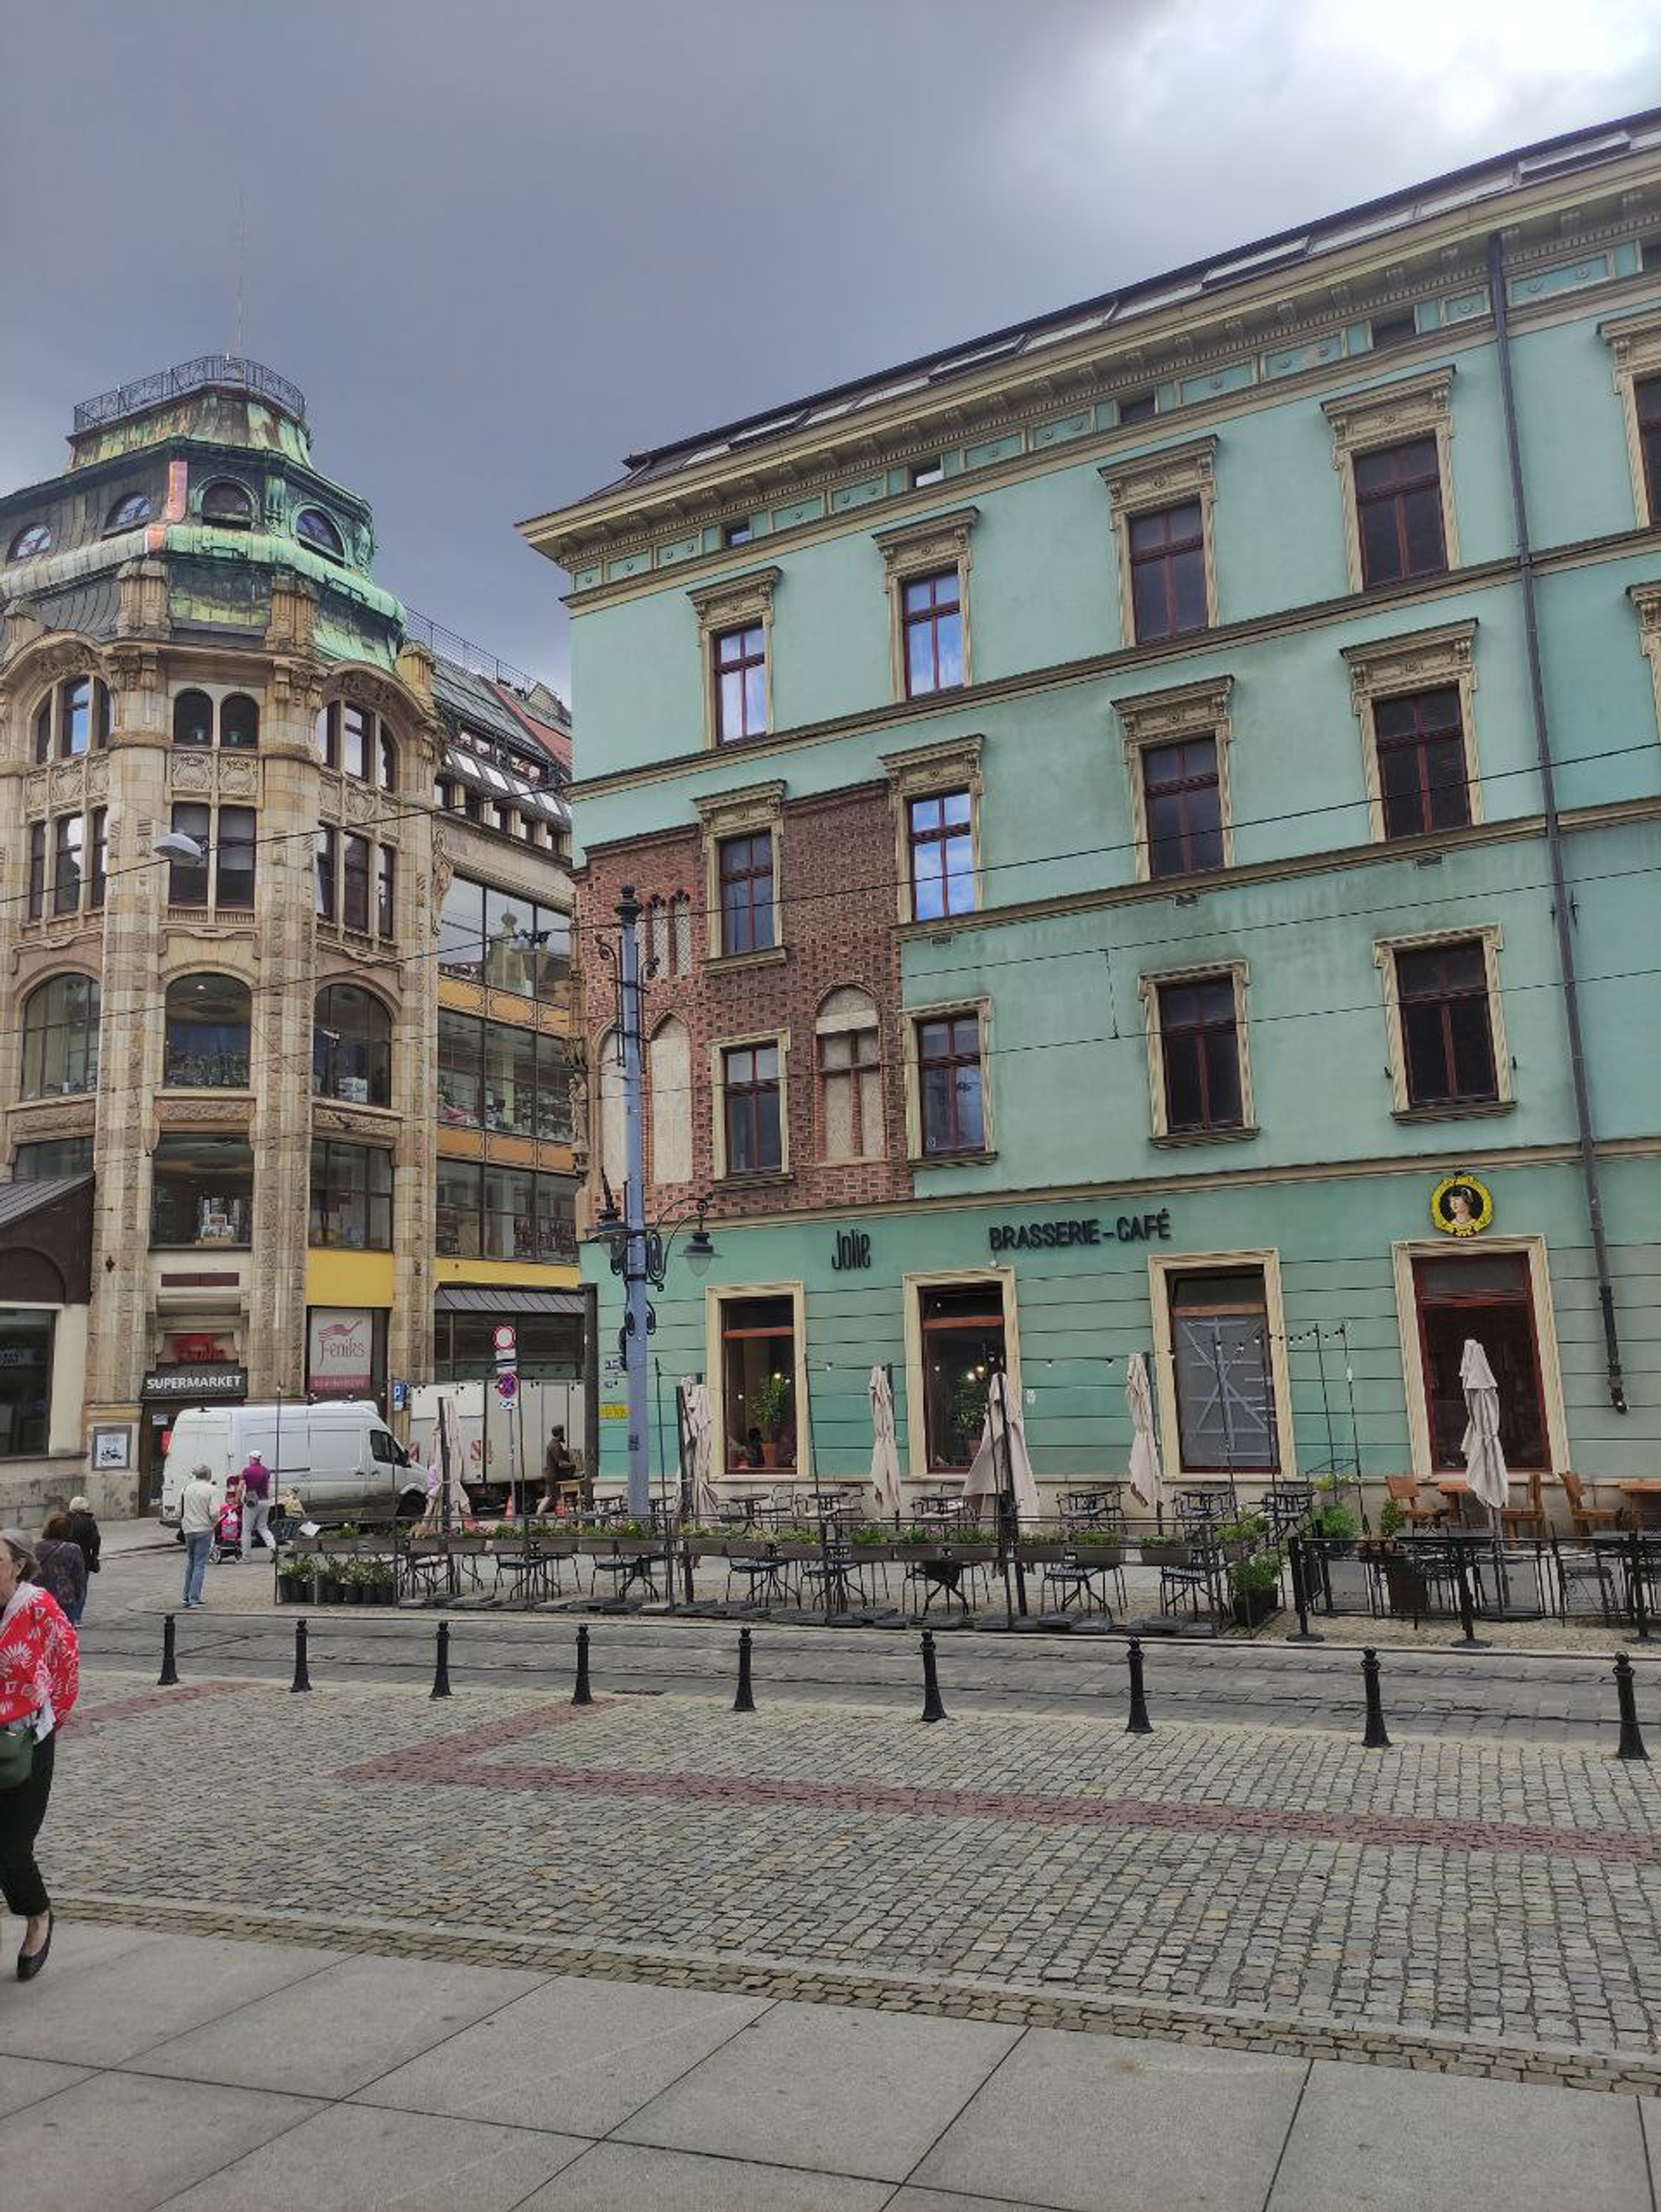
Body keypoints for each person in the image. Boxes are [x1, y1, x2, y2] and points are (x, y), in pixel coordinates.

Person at [0, 1528, 80, 1983]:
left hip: (28, 1741)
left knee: (12, 1850)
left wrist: (45, 1721)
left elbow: (67, 1662)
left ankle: (38, 1914)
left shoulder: (38, 1607)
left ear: (17, 1565)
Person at [34, 1516, 86, 1627]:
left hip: (40, 1598)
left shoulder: (35, 1547)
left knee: (41, 1633)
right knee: (65, 1633)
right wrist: (78, 1598)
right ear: (68, 1531)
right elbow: (79, 1577)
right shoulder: (73, 1549)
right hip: (64, 1598)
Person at [180, 1465, 217, 1608]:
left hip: (188, 1529)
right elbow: (214, 1512)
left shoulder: (186, 1489)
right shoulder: (211, 1490)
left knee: (191, 1562)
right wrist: (214, 1523)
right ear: (208, 1475)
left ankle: (186, 1596)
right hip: (204, 1528)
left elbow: (179, 1511)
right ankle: (194, 1598)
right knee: (200, 1564)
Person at [239, 1450, 274, 1559]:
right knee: (263, 1527)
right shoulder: (266, 1471)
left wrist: (238, 1499)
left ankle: (245, 1557)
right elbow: (268, 1487)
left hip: (252, 1502)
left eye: (249, 1458)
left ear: (252, 1458)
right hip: (265, 1501)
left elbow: (240, 1487)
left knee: (247, 1530)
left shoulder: (247, 1471)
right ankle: (273, 1547)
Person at [537, 1426, 577, 1515]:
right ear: (560, 1433)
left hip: (551, 1475)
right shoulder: (556, 1446)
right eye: (563, 1433)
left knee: (551, 1497)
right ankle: (538, 1515)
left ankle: (539, 1515)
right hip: (555, 1476)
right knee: (551, 1497)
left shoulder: (552, 1444)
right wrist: (573, 1464)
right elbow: (561, 1463)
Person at [65, 1496, 101, 1594]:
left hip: (66, 1556)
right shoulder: (89, 1521)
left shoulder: (65, 1520)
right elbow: (95, 1541)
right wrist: (95, 1555)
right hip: (83, 1557)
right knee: (81, 1587)